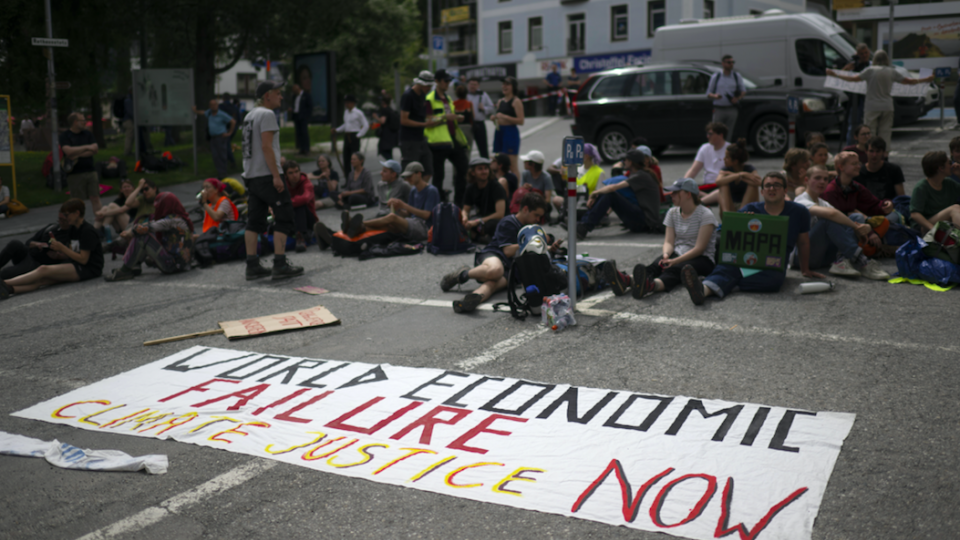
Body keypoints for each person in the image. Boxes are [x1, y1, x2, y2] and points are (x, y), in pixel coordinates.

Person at [683, 172, 823, 305]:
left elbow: (803, 242)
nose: (772, 188)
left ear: (785, 190)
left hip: (773, 263)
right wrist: (743, 222)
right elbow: (732, 236)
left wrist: (805, 269)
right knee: (727, 266)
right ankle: (702, 291)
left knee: (774, 282)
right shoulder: (750, 209)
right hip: (745, 260)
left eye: (777, 185)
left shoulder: (799, 212)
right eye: (767, 185)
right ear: (762, 192)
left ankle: (716, 283)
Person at [440, 192, 556, 313]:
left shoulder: (531, 228)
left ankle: (469, 300)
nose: (538, 220)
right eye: (536, 215)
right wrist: (533, 241)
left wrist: (548, 247)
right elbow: (507, 251)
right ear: (526, 209)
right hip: (494, 255)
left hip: (511, 270)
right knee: (495, 271)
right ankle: (463, 274)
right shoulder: (509, 222)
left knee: (492, 285)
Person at [240, 80, 303, 281]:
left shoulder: (249, 115)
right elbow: (266, 147)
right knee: (284, 216)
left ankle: (252, 265)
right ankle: (280, 263)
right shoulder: (267, 115)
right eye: (277, 93)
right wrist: (277, 175)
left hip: (251, 175)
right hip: (266, 175)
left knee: (254, 221)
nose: (281, 97)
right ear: (267, 95)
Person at [627, 178, 719, 299]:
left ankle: (651, 286)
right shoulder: (672, 212)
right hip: (678, 252)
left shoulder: (705, 214)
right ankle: (629, 281)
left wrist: (675, 260)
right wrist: (666, 254)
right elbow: (669, 241)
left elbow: (699, 249)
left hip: (703, 259)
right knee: (656, 265)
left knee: (675, 269)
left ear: (688, 194)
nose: (672, 195)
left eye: (676, 192)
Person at [795, 165, 888, 280]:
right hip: (802, 257)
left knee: (856, 217)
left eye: (825, 179)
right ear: (806, 180)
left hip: (823, 256)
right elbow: (832, 214)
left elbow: (841, 218)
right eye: (817, 178)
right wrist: (856, 228)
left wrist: (866, 226)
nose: (822, 182)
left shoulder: (823, 202)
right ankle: (862, 260)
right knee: (827, 221)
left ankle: (841, 262)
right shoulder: (800, 201)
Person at [827, 51, 934, 149]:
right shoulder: (892, 71)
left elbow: (854, 79)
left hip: (871, 105)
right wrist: (925, 79)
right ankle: (884, 153)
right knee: (885, 131)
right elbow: (909, 81)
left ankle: (870, 151)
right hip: (887, 105)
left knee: (870, 131)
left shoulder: (870, 70)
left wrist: (836, 74)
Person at [0, 199, 104, 299]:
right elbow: (72, 252)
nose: (66, 218)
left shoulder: (87, 231)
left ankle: (4, 284)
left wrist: (62, 248)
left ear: (77, 213)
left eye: (67, 215)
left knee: (43, 270)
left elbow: (83, 259)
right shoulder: (73, 228)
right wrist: (60, 254)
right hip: (76, 263)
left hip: (89, 268)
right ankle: (9, 289)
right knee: (42, 280)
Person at [333, 162, 441, 246]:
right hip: (413, 223)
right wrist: (397, 208)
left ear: (419, 174)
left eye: (410, 176)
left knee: (392, 217)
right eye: (406, 177)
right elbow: (408, 214)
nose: (407, 179)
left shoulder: (431, 190)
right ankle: (355, 230)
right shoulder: (413, 190)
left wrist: (403, 205)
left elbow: (427, 215)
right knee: (387, 226)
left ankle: (357, 223)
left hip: (425, 228)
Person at [105, 190, 194, 281]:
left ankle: (126, 269)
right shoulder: (180, 218)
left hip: (173, 265)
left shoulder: (171, 221)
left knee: (143, 236)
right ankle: (134, 265)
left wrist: (131, 231)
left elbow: (149, 227)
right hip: (182, 264)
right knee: (148, 233)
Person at [576, 149, 662, 239]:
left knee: (610, 194)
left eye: (625, 160)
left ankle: (584, 226)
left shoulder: (641, 176)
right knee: (606, 192)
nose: (623, 162)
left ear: (631, 161)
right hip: (641, 219)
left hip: (645, 222)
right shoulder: (638, 174)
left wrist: (594, 193)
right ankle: (583, 222)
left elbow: (613, 188)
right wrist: (597, 194)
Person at [426, 69, 469, 206]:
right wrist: (445, 117)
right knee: (439, 175)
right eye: (445, 81)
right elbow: (428, 120)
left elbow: (450, 117)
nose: (448, 83)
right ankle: (440, 205)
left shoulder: (448, 98)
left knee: (464, 170)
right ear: (437, 81)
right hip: (438, 141)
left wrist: (457, 117)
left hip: (452, 139)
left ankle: (459, 203)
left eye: (449, 81)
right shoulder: (430, 99)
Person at [823, 152, 900, 222]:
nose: (859, 166)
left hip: (856, 224)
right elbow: (832, 218)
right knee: (858, 217)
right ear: (841, 167)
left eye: (858, 163)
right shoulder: (831, 190)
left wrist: (886, 204)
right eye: (854, 164)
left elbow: (872, 204)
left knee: (894, 216)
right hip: (840, 227)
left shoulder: (855, 187)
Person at [400, 71, 438, 184]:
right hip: (409, 140)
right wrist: (425, 125)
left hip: (420, 138)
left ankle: (419, 192)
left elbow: (423, 116)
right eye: (427, 86)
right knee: (410, 173)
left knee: (428, 171)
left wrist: (436, 120)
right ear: (420, 84)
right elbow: (404, 120)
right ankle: (409, 196)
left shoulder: (422, 95)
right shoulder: (408, 96)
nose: (429, 88)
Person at [60, 112, 102, 216]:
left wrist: (77, 154)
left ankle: (99, 223)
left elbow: (95, 149)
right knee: (77, 202)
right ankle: (78, 224)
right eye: (82, 120)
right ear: (75, 122)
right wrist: (87, 147)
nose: (85, 122)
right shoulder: (65, 136)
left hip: (90, 170)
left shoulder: (88, 134)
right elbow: (68, 151)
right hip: (75, 173)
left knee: (95, 198)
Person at [910, 151, 960, 233]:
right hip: (925, 226)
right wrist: (933, 229)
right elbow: (915, 214)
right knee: (955, 208)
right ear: (941, 168)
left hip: (943, 222)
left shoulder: (948, 183)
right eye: (949, 163)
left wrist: (959, 175)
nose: (952, 165)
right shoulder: (922, 187)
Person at [461, 157, 507, 242]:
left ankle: (476, 237)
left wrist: (478, 221)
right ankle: (481, 237)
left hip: (494, 220)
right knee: (460, 222)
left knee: (492, 225)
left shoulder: (496, 187)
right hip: (481, 219)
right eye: (480, 169)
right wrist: (464, 217)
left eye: (486, 168)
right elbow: (465, 209)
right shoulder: (471, 188)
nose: (484, 171)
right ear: (473, 173)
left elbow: (500, 214)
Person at [711, 138, 761, 213]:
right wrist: (740, 174)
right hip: (730, 205)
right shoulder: (725, 169)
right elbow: (718, 182)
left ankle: (741, 213)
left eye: (727, 157)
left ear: (735, 161)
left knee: (753, 185)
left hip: (746, 206)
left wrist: (741, 177)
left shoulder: (749, 169)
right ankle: (728, 215)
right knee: (723, 185)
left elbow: (760, 182)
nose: (724, 159)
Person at [191, 99, 236, 180]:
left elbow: (233, 121)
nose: (213, 106)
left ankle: (223, 173)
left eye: (214, 105)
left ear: (217, 105)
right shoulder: (209, 113)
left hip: (221, 137)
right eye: (211, 105)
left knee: (222, 155)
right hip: (213, 138)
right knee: (215, 156)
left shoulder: (221, 114)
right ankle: (220, 172)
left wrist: (229, 133)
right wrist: (195, 111)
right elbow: (203, 112)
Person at [493, 77, 525, 180]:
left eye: (507, 84)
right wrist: (494, 119)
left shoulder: (516, 101)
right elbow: (499, 119)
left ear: (513, 87)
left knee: (512, 165)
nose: (504, 86)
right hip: (499, 132)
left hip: (510, 133)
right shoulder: (500, 101)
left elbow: (521, 121)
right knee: (500, 165)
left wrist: (504, 116)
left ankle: (516, 191)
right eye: (503, 84)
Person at [706, 55, 746, 137]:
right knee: (716, 132)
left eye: (732, 62)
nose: (731, 64)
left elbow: (743, 91)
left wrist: (737, 98)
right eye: (729, 62)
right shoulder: (716, 77)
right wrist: (715, 96)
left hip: (732, 109)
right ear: (723, 63)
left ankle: (727, 149)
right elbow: (708, 93)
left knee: (728, 133)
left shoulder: (736, 76)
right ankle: (717, 148)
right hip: (719, 109)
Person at [840, 44, 872, 146]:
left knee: (868, 125)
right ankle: (850, 146)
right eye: (861, 54)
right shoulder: (852, 65)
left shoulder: (871, 66)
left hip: (868, 99)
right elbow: (841, 78)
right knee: (853, 125)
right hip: (855, 100)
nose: (864, 55)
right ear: (857, 54)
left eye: (866, 53)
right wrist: (846, 69)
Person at [282, 161, 317, 252]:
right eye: (291, 173)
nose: (295, 175)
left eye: (296, 171)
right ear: (286, 175)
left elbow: (305, 198)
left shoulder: (306, 183)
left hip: (308, 219)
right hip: (289, 218)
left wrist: (285, 204)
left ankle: (301, 237)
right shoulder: (283, 185)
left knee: (300, 205)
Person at [684, 122, 730, 187]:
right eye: (707, 134)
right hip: (707, 186)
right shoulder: (705, 148)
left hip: (723, 185)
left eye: (710, 134)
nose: (707, 136)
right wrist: (683, 184)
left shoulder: (729, 149)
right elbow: (693, 170)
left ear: (721, 135)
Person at [335, 95, 369, 177]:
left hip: (354, 136)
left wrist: (358, 135)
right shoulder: (346, 112)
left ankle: (356, 178)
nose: (346, 104)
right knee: (346, 159)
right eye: (345, 103)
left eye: (348, 102)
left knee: (355, 159)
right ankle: (348, 180)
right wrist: (336, 130)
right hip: (347, 136)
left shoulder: (358, 113)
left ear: (353, 103)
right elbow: (345, 124)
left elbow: (366, 125)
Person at [466, 77, 494, 159]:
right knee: (466, 148)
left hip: (479, 123)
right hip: (468, 124)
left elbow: (492, 108)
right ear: (468, 85)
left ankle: (485, 167)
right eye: (471, 84)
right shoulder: (465, 95)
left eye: (475, 84)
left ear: (478, 86)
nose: (472, 86)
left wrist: (484, 108)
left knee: (483, 148)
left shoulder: (483, 94)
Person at [288, 84, 313, 155]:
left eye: (294, 90)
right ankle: (301, 148)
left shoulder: (306, 95)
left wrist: (307, 116)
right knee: (298, 133)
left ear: (298, 89)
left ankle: (306, 148)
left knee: (304, 132)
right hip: (296, 115)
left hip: (303, 117)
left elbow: (310, 106)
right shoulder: (294, 96)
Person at [374, 95, 400, 161]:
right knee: (388, 151)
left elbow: (383, 121)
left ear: (383, 102)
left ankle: (392, 164)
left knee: (383, 150)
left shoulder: (384, 110)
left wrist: (376, 117)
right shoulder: (391, 109)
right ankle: (391, 166)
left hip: (386, 134)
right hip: (391, 134)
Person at [453, 84, 474, 154]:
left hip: (456, 128)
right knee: (467, 149)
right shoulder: (469, 103)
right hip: (467, 128)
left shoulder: (453, 104)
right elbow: (473, 116)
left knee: (457, 149)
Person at [122, 89, 135, 156]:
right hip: (128, 120)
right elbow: (130, 112)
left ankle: (129, 151)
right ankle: (127, 152)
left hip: (129, 120)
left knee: (131, 136)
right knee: (129, 136)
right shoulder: (128, 100)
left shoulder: (130, 100)